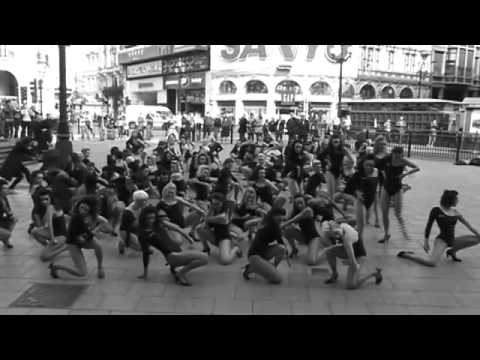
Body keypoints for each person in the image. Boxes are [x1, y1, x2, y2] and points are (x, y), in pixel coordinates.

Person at [397, 190, 480, 266]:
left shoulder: (455, 212)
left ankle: (452, 251)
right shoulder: (436, 210)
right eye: (456, 199)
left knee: (477, 239)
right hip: (442, 241)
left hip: (452, 240)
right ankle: (407, 255)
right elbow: (429, 226)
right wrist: (426, 242)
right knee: (431, 263)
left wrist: (478, 234)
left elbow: (469, 226)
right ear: (449, 200)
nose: (457, 201)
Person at [137, 206, 208, 286]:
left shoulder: (159, 224)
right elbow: (145, 253)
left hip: (178, 252)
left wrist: (188, 238)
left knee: (201, 258)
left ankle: (176, 269)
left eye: (153, 217)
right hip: (172, 256)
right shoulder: (143, 234)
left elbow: (176, 228)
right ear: (144, 218)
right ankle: (180, 274)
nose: (151, 220)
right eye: (148, 218)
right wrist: (145, 273)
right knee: (204, 258)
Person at [48, 196, 115, 279]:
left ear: (90, 210)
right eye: (81, 208)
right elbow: (87, 234)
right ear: (78, 206)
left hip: (84, 239)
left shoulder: (92, 216)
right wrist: (95, 230)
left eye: (86, 210)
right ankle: (56, 266)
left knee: (98, 246)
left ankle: (100, 266)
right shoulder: (76, 218)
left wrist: (98, 228)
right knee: (82, 272)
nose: (82, 211)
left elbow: (104, 222)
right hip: (73, 243)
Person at [323, 221, 382, 290]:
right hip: (346, 251)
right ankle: (334, 274)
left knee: (351, 285)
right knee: (329, 251)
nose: (335, 235)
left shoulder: (346, 235)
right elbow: (330, 246)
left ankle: (373, 273)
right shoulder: (328, 232)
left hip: (359, 255)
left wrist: (349, 263)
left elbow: (352, 260)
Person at [377, 146, 420, 243]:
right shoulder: (387, 159)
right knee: (384, 213)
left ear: (401, 155)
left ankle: (405, 233)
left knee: (398, 214)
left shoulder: (403, 161)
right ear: (392, 154)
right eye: (395, 156)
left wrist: (405, 174)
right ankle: (386, 233)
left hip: (397, 188)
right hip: (386, 187)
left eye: (399, 156)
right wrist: (383, 174)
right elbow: (378, 165)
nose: (396, 158)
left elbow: (417, 168)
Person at [242, 207, 289, 284]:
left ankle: (269, 269)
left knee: (282, 249)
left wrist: (286, 253)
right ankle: (252, 268)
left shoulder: (272, 223)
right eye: (278, 216)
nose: (281, 218)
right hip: (254, 256)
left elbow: (280, 241)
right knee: (278, 279)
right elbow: (247, 224)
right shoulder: (270, 225)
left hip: (263, 252)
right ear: (273, 216)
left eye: (282, 216)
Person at [195, 192, 242, 264]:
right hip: (214, 236)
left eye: (217, 204)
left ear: (223, 203)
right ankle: (206, 247)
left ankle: (236, 248)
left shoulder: (223, 216)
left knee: (225, 261)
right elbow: (205, 225)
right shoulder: (213, 211)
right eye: (213, 204)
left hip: (224, 238)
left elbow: (207, 219)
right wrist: (209, 212)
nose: (215, 206)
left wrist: (208, 213)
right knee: (199, 228)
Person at [30, 188, 69, 262]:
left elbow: (50, 224)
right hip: (55, 231)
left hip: (60, 235)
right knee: (34, 232)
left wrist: (53, 238)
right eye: (41, 200)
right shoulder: (53, 206)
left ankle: (64, 248)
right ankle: (48, 246)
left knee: (44, 257)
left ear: (51, 198)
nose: (44, 202)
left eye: (46, 199)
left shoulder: (50, 207)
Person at [118, 190, 150, 254]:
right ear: (138, 201)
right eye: (144, 200)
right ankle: (122, 242)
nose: (145, 202)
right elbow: (134, 225)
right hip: (126, 231)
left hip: (137, 229)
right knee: (140, 248)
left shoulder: (141, 207)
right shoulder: (128, 212)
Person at [0, 178, 16, 249]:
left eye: (7, 188)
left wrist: (10, 215)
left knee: (13, 220)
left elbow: (8, 209)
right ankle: (4, 237)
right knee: (7, 234)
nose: (7, 190)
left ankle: (5, 240)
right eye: (4, 188)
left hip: (2, 218)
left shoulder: (4, 197)